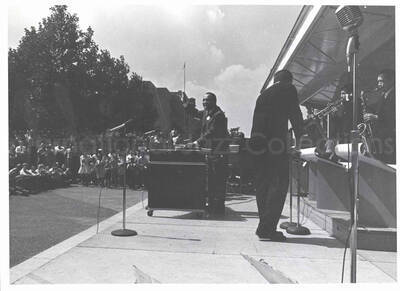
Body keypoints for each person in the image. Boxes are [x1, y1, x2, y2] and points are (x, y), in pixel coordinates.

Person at [250, 69, 303, 241]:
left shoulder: (263, 95)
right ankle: (267, 229)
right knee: (279, 185)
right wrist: (301, 137)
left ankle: (264, 226)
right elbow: (296, 115)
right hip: (275, 145)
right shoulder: (288, 90)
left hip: (257, 146)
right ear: (289, 81)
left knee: (263, 187)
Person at [187, 92, 229, 215]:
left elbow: (212, 131)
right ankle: (211, 206)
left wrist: (197, 142)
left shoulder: (218, 115)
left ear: (214, 101)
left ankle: (219, 209)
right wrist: (186, 104)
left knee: (218, 181)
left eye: (207, 100)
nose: (205, 103)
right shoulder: (206, 113)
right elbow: (195, 113)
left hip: (218, 153)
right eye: (203, 100)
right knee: (211, 181)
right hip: (210, 153)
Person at [364, 69, 396, 164]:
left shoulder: (395, 95)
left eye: (381, 81)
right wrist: (366, 106)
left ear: (391, 80)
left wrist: (375, 117)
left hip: (390, 138)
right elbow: (379, 110)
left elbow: (393, 116)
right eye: (378, 81)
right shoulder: (384, 95)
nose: (378, 84)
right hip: (381, 137)